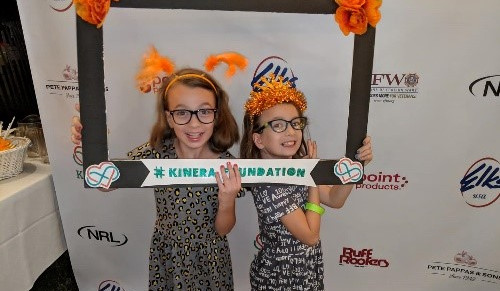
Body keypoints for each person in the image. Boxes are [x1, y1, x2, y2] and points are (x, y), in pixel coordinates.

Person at [71, 48, 247, 290]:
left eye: (204, 111)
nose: (194, 123)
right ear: (169, 117)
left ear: (216, 116)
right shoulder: (157, 152)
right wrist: (90, 145)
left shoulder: (225, 164)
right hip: (168, 257)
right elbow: (107, 184)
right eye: (182, 112)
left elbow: (223, 228)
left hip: (210, 260)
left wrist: (227, 199)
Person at [240, 74, 373, 290]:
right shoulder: (268, 184)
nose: (291, 131)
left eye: (295, 123)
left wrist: (356, 166)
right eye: (278, 125)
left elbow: (334, 199)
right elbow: (310, 236)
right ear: (258, 139)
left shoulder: (299, 167)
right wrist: (311, 177)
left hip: (307, 276)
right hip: (278, 281)